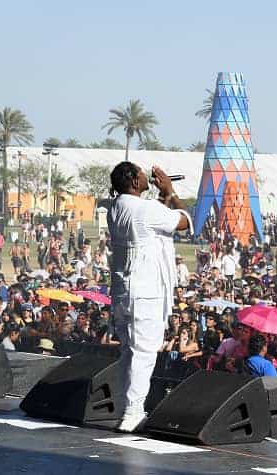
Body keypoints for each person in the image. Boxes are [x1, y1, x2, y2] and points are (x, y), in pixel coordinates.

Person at [108, 161, 190, 433]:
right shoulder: (145, 209)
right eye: (142, 174)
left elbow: (155, 222)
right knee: (143, 353)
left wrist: (162, 196)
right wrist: (170, 191)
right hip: (145, 293)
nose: (146, 177)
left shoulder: (116, 207)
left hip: (123, 292)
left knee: (128, 352)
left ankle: (125, 407)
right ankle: (133, 412)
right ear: (134, 181)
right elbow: (183, 222)